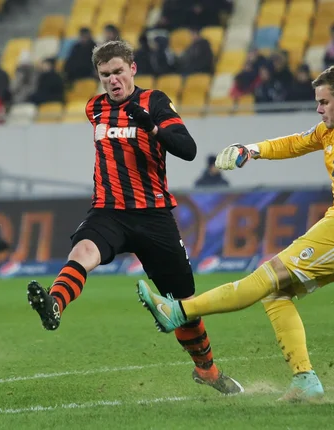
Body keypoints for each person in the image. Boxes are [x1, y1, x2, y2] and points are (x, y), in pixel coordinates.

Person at [136, 64, 334, 402]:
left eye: (324, 102)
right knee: (275, 294)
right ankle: (305, 381)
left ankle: (179, 311)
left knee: (269, 274)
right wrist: (252, 150)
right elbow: (296, 143)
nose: (319, 109)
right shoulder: (331, 131)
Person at [26, 40, 243, 396]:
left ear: (132, 69)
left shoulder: (154, 101)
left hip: (153, 215)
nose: (112, 80)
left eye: (118, 72)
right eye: (105, 75)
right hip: (108, 210)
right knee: (82, 252)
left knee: (182, 303)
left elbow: (188, 150)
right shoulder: (93, 108)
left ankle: (207, 370)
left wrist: (153, 128)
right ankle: (55, 303)